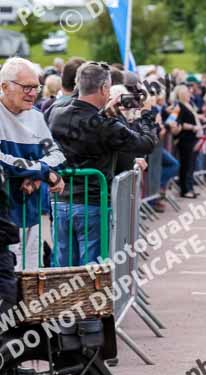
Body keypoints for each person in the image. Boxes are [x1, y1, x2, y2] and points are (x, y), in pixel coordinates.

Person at [49, 61, 158, 266]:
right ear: (103, 89)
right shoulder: (106, 125)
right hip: (92, 203)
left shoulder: (56, 113)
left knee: (61, 271)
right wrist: (146, 115)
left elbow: (79, 108)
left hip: (60, 200)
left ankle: (65, 299)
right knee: (93, 274)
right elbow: (146, 143)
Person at [0, 58, 66, 270]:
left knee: (32, 277)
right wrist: (43, 172)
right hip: (5, 215)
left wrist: (37, 174)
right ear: (4, 86)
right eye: (26, 87)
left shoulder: (36, 116)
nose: (33, 93)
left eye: (36, 87)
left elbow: (56, 154)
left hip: (32, 211)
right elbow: (3, 160)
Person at [173, 84, 203, 198]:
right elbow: (175, 121)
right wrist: (191, 127)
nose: (189, 94)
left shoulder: (189, 104)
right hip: (185, 138)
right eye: (186, 92)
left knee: (191, 164)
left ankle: (190, 187)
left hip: (192, 137)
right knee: (186, 164)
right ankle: (185, 189)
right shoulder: (178, 106)